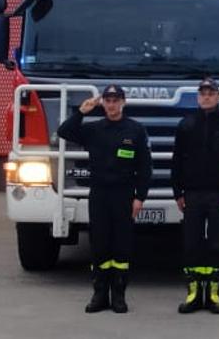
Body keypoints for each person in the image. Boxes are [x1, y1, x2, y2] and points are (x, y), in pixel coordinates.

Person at [56, 85, 152, 315]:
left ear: (123, 103)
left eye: (116, 100)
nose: (111, 104)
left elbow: (145, 167)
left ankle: (118, 295)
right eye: (107, 100)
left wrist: (140, 197)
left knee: (121, 247)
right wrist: (81, 112)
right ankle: (99, 294)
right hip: (99, 194)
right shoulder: (94, 129)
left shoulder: (136, 130)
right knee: (99, 246)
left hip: (124, 195)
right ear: (103, 104)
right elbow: (64, 132)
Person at [173, 77, 219, 314]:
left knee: (217, 244)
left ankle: (213, 295)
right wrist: (177, 193)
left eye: (211, 93)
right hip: (192, 194)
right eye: (203, 93)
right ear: (197, 97)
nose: (206, 97)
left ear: (218, 97)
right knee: (191, 244)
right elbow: (177, 162)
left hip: (218, 194)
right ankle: (193, 294)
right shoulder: (186, 125)